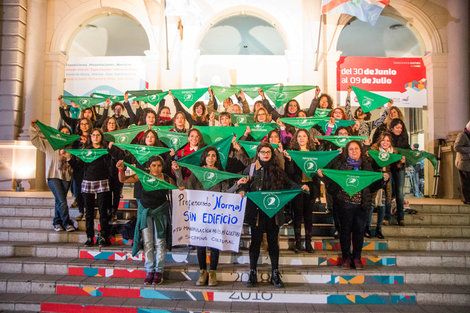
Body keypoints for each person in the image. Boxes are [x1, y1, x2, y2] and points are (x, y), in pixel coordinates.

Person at [173, 147, 247, 286]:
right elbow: (184, 187)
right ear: (204, 157)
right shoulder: (197, 172)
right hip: (199, 212)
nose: (211, 158)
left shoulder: (221, 173)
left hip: (216, 213)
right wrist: (177, 171)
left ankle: (212, 272)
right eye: (208, 156)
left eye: (213, 156)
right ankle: (202, 272)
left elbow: (226, 192)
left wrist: (237, 185)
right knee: (200, 243)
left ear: (217, 158)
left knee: (215, 242)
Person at [239, 143, 309, 288]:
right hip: (257, 213)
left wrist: (300, 187)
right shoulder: (250, 169)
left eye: (268, 152)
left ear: (272, 154)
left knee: (273, 244)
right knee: (255, 243)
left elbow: (289, 184)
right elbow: (243, 185)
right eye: (263, 152)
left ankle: (275, 273)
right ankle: (252, 273)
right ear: (257, 153)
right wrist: (242, 190)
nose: (265, 154)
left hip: (274, 213)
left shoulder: (278, 169)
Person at [318, 140, 387, 270]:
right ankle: (346, 257)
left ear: (361, 151)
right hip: (344, 205)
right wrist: (323, 177)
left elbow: (372, 186)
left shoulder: (366, 167)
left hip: (362, 205)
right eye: (350, 149)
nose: (353, 151)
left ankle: (357, 257)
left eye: (356, 148)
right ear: (346, 151)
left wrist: (383, 180)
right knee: (345, 232)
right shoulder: (340, 166)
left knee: (359, 232)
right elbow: (332, 183)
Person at [117, 157, 175, 285]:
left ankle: (159, 271)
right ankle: (150, 271)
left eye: (159, 165)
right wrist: (121, 169)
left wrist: (178, 172)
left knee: (160, 242)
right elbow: (123, 180)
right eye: (154, 165)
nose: (156, 168)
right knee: (148, 243)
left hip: (161, 213)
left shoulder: (166, 178)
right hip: (145, 213)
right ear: (149, 166)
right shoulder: (142, 176)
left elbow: (178, 189)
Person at [64, 128, 113, 247]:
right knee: (89, 212)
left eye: (98, 135)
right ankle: (89, 236)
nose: (95, 137)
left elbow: (110, 167)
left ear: (101, 137)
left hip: (102, 181)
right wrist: (69, 158)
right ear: (90, 137)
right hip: (88, 181)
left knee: (103, 211)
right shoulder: (85, 150)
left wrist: (111, 151)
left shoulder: (105, 151)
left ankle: (103, 236)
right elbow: (78, 167)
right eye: (93, 135)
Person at [29, 119, 75, 232]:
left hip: (66, 177)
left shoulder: (73, 147)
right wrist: (33, 128)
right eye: (62, 132)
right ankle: (67, 222)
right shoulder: (49, 144)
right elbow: (35, 141)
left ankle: (57, 222)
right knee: (62, 200)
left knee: (59, 200)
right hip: (53, 176)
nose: (65, 134)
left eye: (67, 132)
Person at [284, 129, 320, 253]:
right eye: (299, 136)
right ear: (296, 138)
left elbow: (317, 172)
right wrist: (289, 161)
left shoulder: (314, 153)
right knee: (297, 215)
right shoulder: (293, 153)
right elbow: (290, 173)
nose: (302, 138)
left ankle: (308, 243)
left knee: (308, 216)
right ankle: (298, 242)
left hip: (311, 187)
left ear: (308, 138)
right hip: (298, 188)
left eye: (304, 136)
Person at [367, 132, 404, 238]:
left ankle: (379, 229)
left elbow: (394, 170)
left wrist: (399, 164)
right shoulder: (373, 151)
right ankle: (367, 228)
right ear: (380, 141)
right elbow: (369, 164)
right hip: (374, 179)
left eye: (388, 140)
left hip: (385, 182)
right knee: (371, 204)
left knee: (382, 204)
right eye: (383, 140)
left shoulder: (394, 152)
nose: (385, 142)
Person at [389, 118, 410, 226]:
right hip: (389, 167)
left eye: (401, 128)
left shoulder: (404, 139)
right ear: (392, 128)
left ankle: (401, 216)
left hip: (399, 167)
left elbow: (408, 152)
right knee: (389, 191)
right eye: (397, 128)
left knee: (400, 192)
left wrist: (404, 159)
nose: (399, 130)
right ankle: (387, 216)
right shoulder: (388, 138)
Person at [102, 117, 122, 221]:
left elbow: (121, 153)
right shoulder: (103, 138)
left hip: (117, 168)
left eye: (113, 123)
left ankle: (115, 211)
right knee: (107, 191)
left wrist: (113, 149)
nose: (111, 125)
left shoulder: (119, 137)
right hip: (105, 168)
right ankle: (109, 210)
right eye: (109, 123)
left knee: (116, 191)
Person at [454, 121, 470, 204]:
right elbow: (456, 147)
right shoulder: (462, 135)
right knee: (465, 181)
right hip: (464, 163)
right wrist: (468, 150)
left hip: (467, 162)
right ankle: (466, 199)